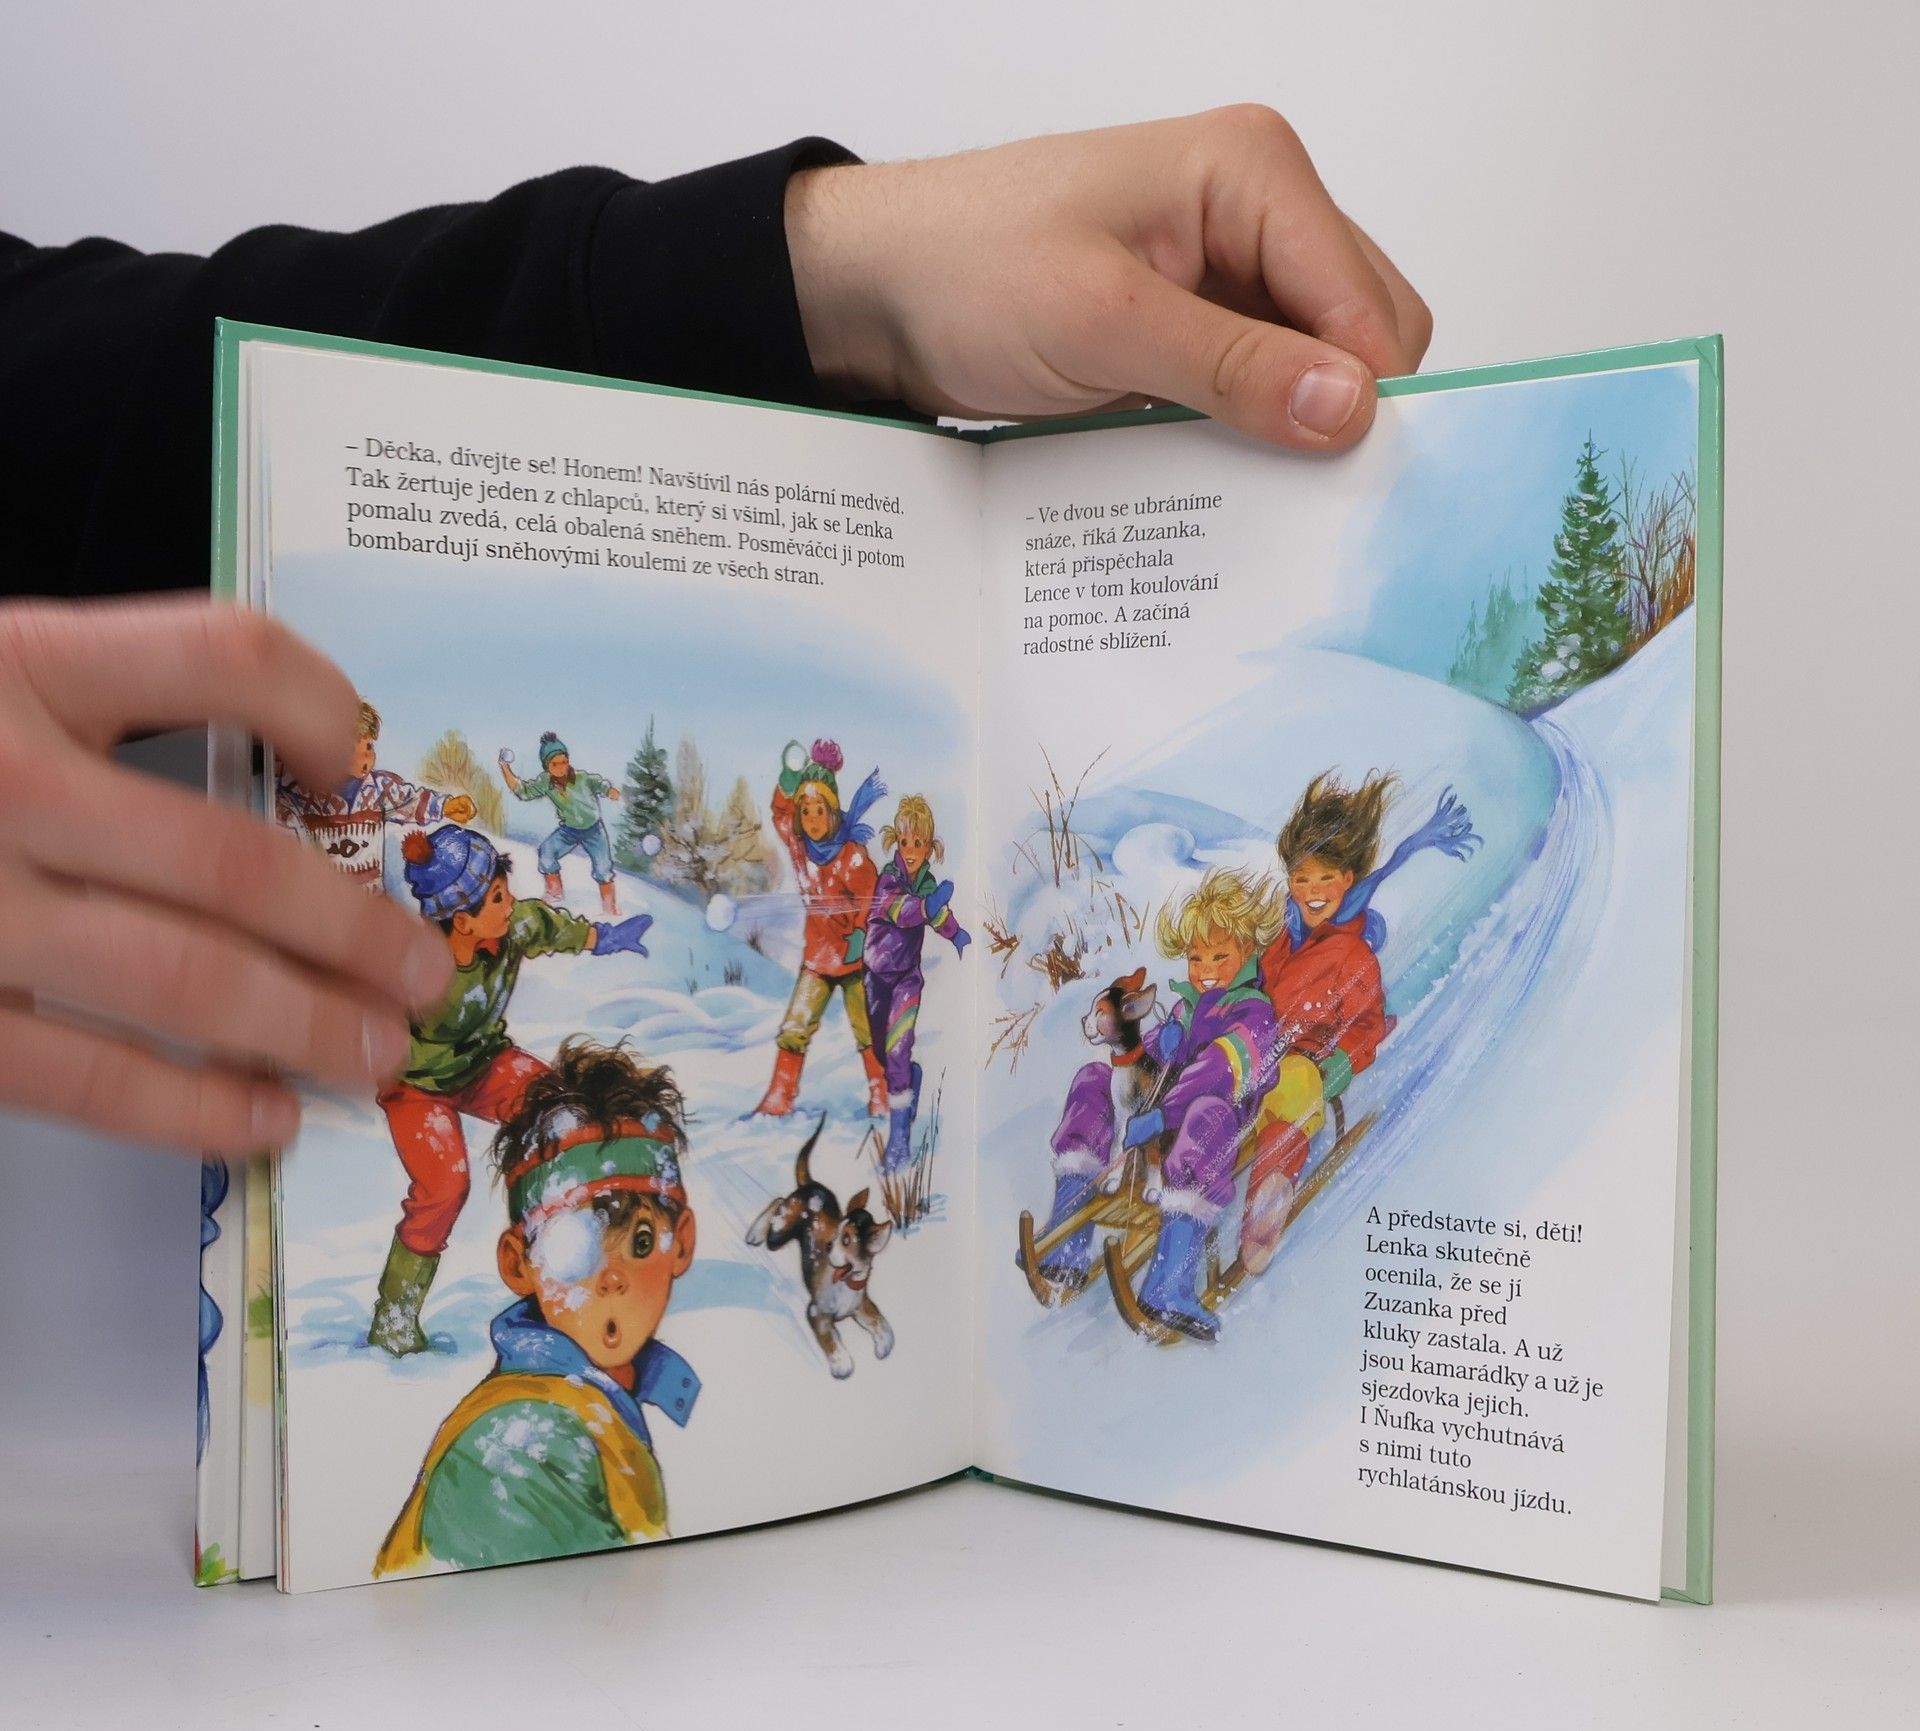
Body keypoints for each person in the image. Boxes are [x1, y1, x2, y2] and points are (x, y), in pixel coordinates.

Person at [0, 109, 1431, 1152]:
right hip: (787, 972)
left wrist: (813, 274)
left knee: (876, 1044)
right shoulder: (814, 848)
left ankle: (903, 1112)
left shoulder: (868, 863)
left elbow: (73, 381)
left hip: (884, 980)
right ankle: (825, 1099)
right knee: (814, 1028)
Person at [374, 1038, 701, 1577]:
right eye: (573, 1246)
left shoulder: (588, 1399)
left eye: (641, 1242)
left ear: (681, 1243)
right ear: (518, 1263)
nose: (612, 1276)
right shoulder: (525, 1447)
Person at [369, 824, 654, 1356]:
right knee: (445, 1187)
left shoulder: (514, 926)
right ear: (462, 920)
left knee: (563, 1113)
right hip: (416, 1086)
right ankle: (396, 1314)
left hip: (484, 1062)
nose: (510, 904)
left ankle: (574, 1252)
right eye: (498, 897)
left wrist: (604, 938)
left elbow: (551, 927)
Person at [1239, 774, 1480, 1273]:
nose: (1312, 892)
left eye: (1324, 878)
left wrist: (1341, 1066)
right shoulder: (1282, 943)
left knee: (1294, 1088)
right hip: (1252, 1064)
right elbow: (1254, 992)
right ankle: (1177, 1193)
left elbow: (1365, 1027)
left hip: (1299, 1071)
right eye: (1301, 879)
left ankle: (1268, 1200)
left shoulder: (1353, 957)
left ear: (1348, 880)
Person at [1038, 868, 1285, 1341]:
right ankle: (1066, 1242)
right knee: (1093, 1081)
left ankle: (1171, 1285)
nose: (1206, 969)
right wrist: (1147, 1049)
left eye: (1220, 956)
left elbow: (1217, 1070)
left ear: (1248, 952)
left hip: (1213, 1123)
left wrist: (1161, 1115)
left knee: (1205, 1117)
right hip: (1159, 1119)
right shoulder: (1185, 1009)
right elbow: (1146, 1061)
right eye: (1196, 957)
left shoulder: (1255, 1014)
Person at [754, 737, 888, 1119]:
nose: (812, 819)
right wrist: (788, 779)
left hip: (857, 962)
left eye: (820, 810)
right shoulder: (800, 847)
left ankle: (881, 1092)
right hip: (818, 960)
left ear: (833, 812)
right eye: (806, 810)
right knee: (795, 1026)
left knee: (867, 1029)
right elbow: (780, 813)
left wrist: (860, 936)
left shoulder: (852, 855)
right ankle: (780, 1095)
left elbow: (870, 899)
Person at [276, 697, 476, 895]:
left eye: (369, 747)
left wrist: (445, 806)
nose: (366, 758)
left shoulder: (380, 789)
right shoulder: (305, 793)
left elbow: (409, 801)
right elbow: (279, 813)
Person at [865, 794, 969, 1170]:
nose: (910, 851)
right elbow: (899, 910)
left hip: (906, 980)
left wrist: (955, 933)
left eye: (918, 843)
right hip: (875, 976)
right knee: (882, 1053)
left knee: (897, 1050)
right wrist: (927, 908)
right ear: (896, 840)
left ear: (929, 847)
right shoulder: (888, 879)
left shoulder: (928, 887)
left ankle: (899, 1141)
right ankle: (910, 1077)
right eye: (905, 842)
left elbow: (936, 915)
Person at [498, 731, 623, 915]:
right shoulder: (545, 782)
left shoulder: (581, 778)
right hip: (569, 831)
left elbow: (598, 783)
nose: (561, 767)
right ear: (547, 766)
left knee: (603, 867)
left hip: (594, 830)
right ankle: (555, 893)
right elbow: (523, 791)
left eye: (564, 762)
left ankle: (610, 906)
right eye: (555, 764)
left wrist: (609, 790)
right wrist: (504, 766)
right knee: (546, 852)